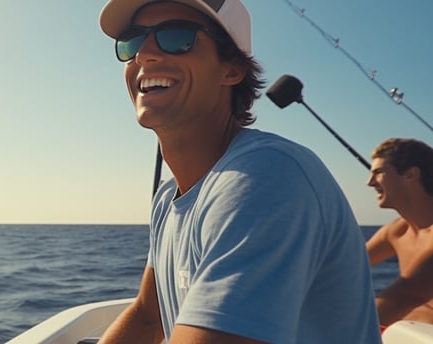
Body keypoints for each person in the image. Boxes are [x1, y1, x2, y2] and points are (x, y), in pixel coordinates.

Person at [96, 0, 382, 343]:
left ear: (231, 70)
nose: (144, 55)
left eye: (176, 37)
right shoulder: (165, 202)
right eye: (133, 41)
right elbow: (147, 316)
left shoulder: (268, 176)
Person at [366, 138, 433, 327]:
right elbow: (347, 263)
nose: (369, 183)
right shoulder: (397, 231)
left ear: (411, 174)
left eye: (378, 172)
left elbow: (407, 295)